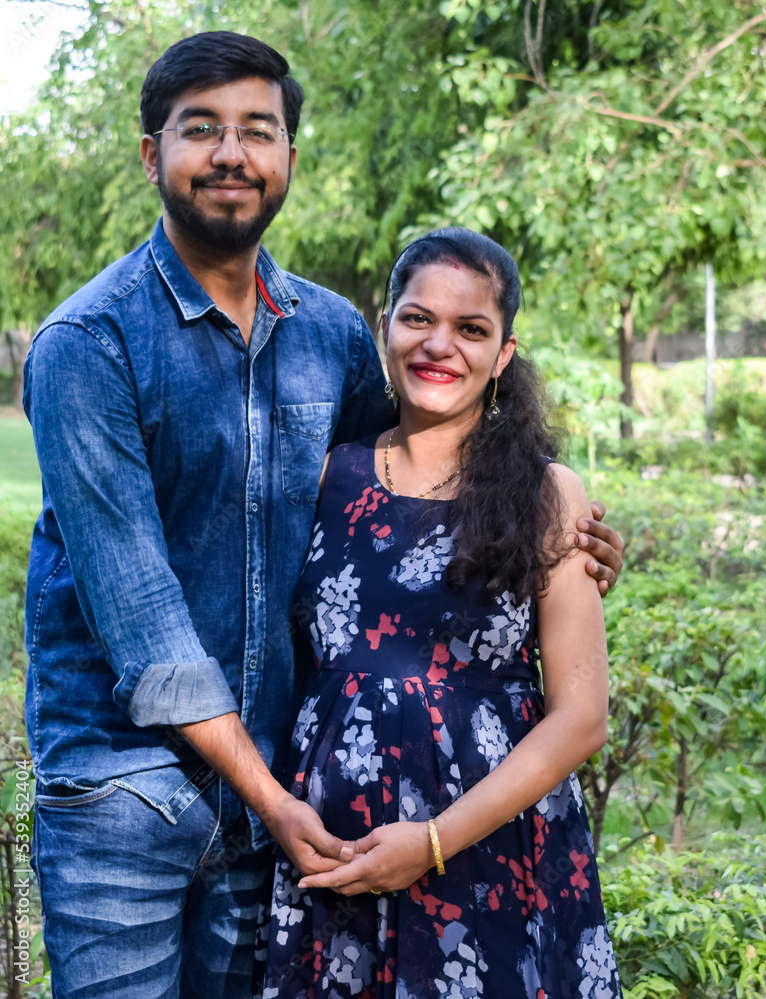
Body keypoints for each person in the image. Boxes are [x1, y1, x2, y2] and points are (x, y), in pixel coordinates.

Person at [21, 31, 624, 999]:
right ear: (151, 155)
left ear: (289, 159)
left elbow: (423, 492)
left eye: (257, 131)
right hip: (129, 788)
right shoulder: (88, 345)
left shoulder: (330, 337)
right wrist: (275, 800)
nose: (231, 154)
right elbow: (142, 617)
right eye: (200, 130)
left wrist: (561, 535)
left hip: (281, 788)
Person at [256, 228, 621, 998]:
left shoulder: (548, 495)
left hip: (487, 859)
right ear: (383, 321)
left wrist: (430, 843)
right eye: (418, 318)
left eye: (471, 329)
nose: (439, 345)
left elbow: (583, 717)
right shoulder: (328, 474)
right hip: (335, 863)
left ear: (505, 353)